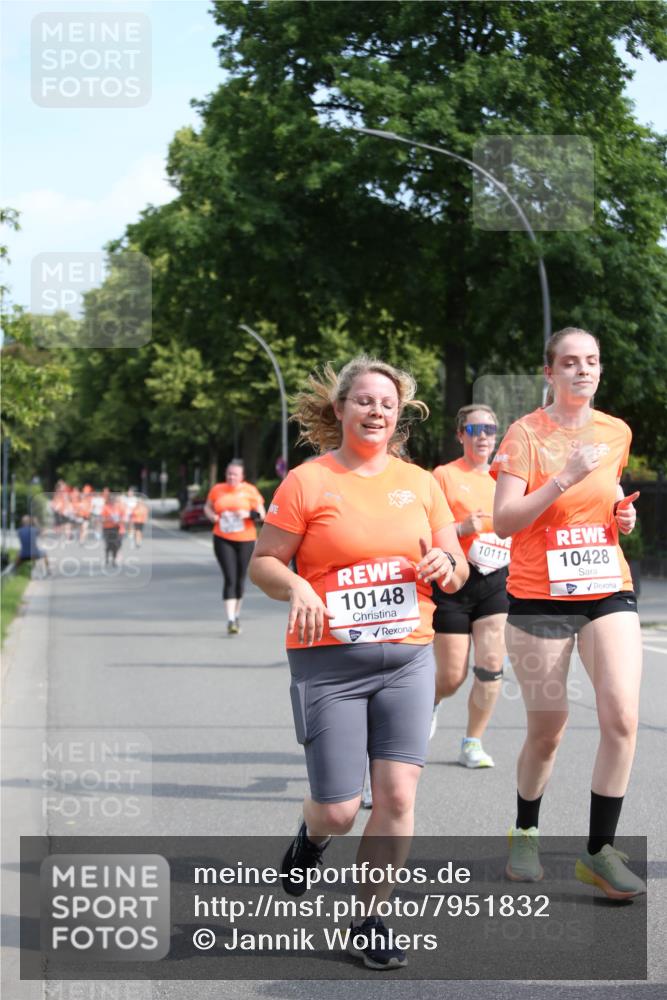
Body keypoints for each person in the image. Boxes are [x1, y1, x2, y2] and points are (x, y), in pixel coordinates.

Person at [249, 357, 468, 969]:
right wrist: (297, 585)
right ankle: (312, 835)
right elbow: (264, 562)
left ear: (399, 416)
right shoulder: (308, 481)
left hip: (408, 656)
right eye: (365, 400)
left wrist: (446, 566)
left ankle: (369, 919)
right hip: (328, 662)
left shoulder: (420, 483)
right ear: (341, 408)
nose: (376, 411)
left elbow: (457, 567)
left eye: (387, 404)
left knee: (396, 796)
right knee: (341, 809)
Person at [491, 326, 645, 899]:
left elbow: (608, 493)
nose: (583, 370)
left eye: (592, 361)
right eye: (571, 362)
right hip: (539, 596)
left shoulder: (616, 431)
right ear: (549, 372)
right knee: (548, 729)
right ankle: (526, 831)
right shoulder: (525, 434)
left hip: (606, 586)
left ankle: (599, 851)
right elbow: (504, 521)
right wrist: (564, 477)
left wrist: (622, 515)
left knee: (622, 718)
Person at [430, 404, 510, 767]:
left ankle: (472, 743)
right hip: (453, 581)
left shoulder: (506, 480)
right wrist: (461, 529)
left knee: (491, 664)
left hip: (496, 580)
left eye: (489, 430)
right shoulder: (444, 476)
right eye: (475, 430)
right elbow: (425, 528)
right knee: (451, 677)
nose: (483, 437)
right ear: (461, 434)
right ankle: (431, 701)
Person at [204, 459, 266, 635]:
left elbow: (262, 514)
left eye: (235, 474)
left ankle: (236, 614)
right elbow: (207, 507)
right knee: (230, 577)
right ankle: (230, 619)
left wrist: (247, 513)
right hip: (222, 538)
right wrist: (212, 516)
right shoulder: (217, 489)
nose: (231, 477)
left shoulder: (250, 491)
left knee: (240, 578)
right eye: (229, 474)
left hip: (245, 539)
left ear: (242, 476)